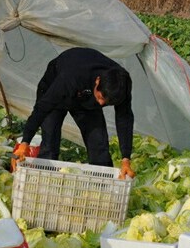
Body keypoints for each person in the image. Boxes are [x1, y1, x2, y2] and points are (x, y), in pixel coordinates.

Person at [13, 47, 135, 179]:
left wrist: (125, 159)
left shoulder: (121, 86)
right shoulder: (71, 77)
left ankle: (102, 186)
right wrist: (25, 142)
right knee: (50, 139)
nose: (101, 104)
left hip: (85, 98)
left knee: (98, 143)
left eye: (106, 102)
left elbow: (124, 119)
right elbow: (42, 108)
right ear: (98, 81)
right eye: (100, 97)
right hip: (56, 89)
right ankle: (44, 181)